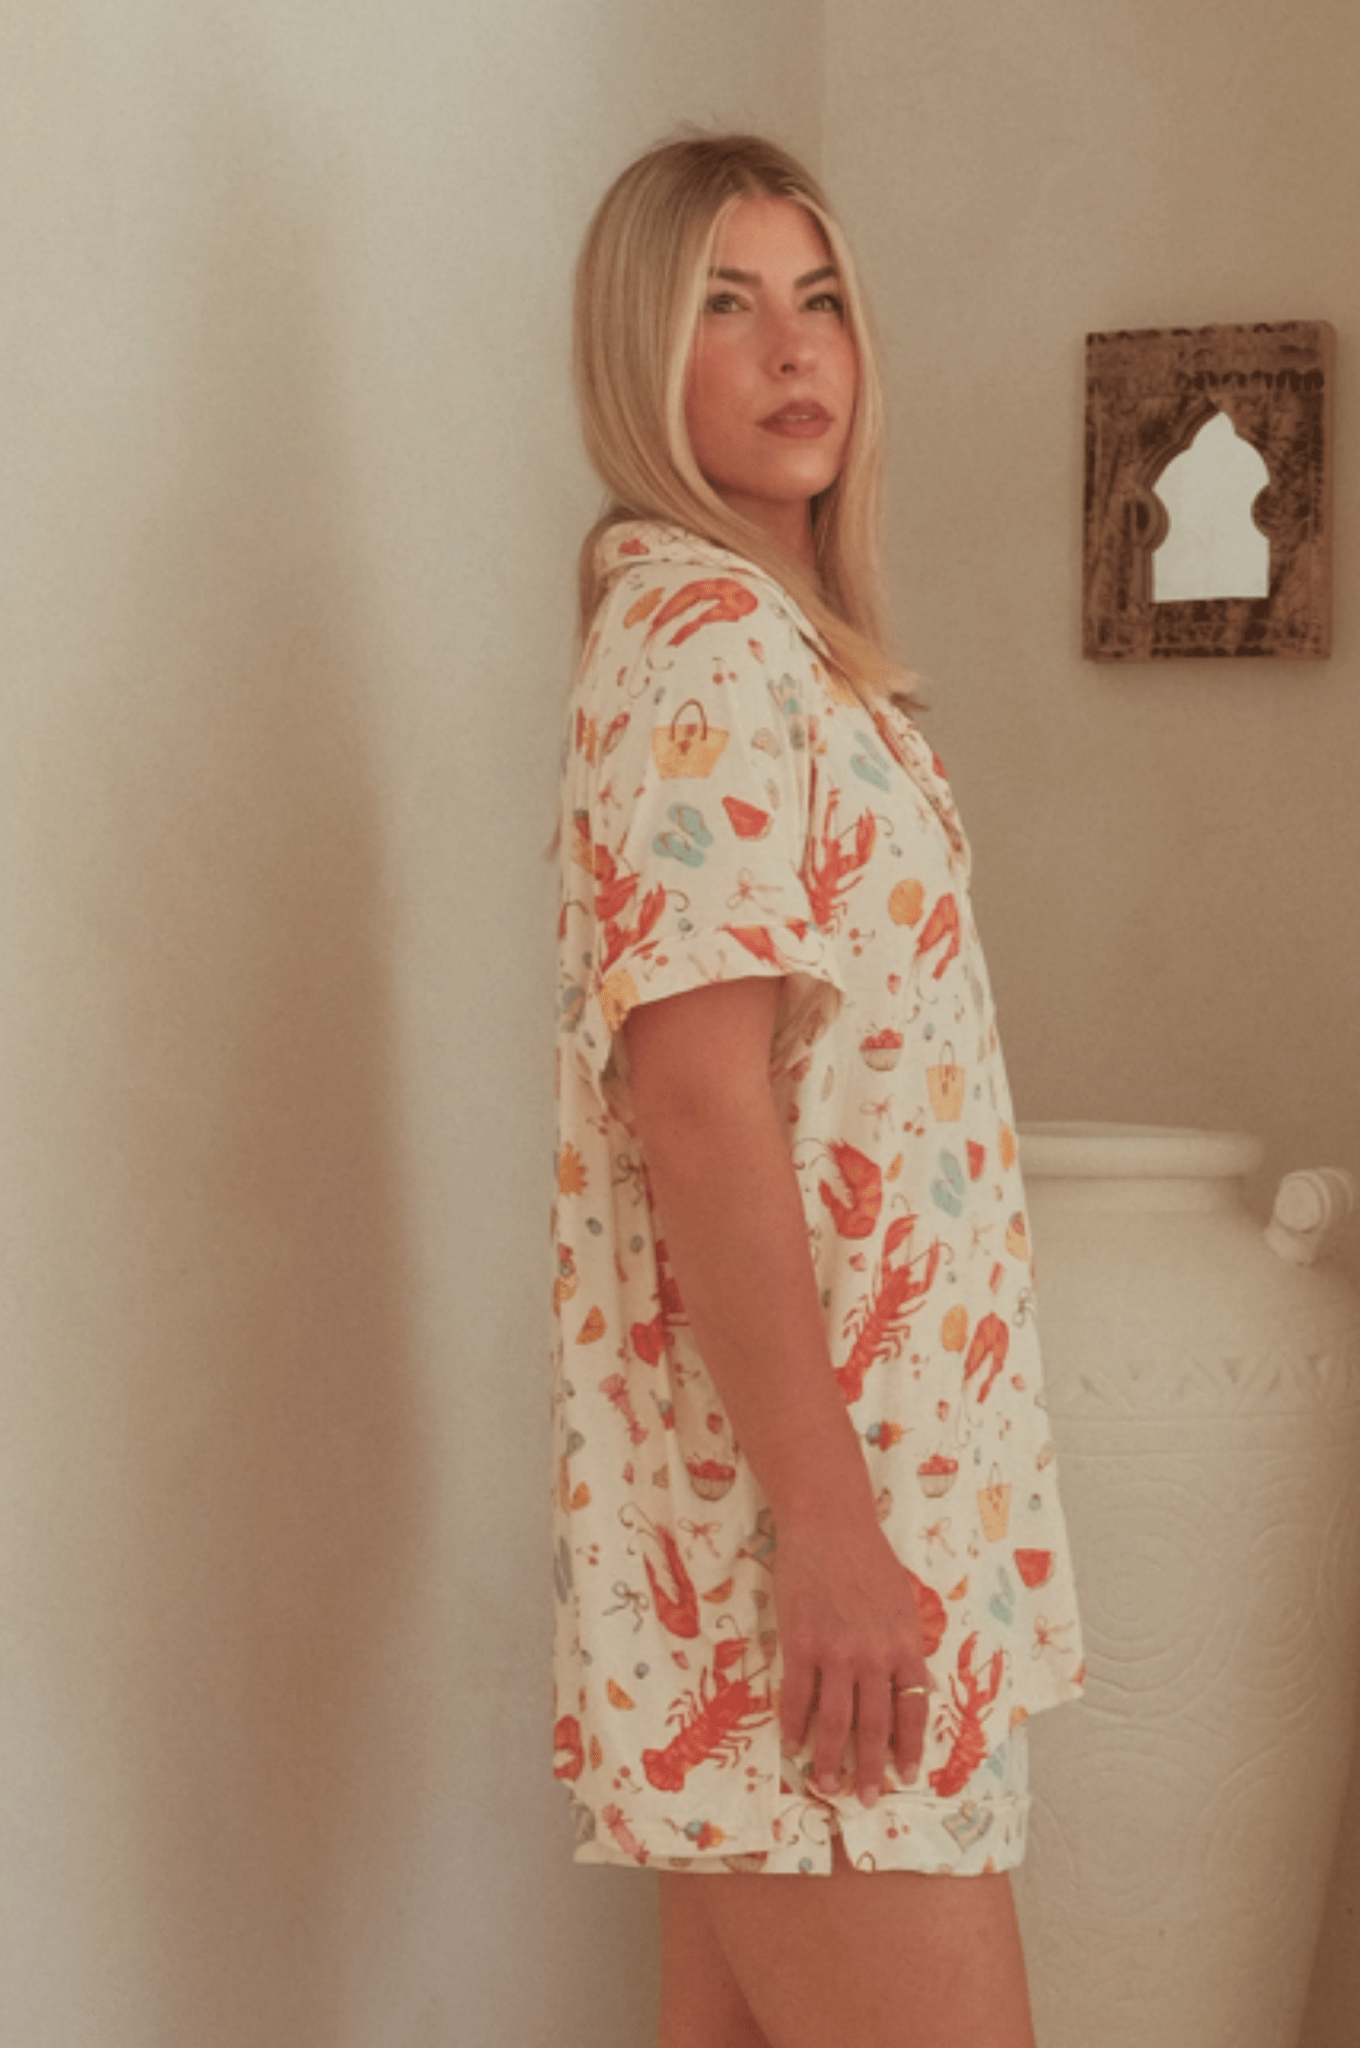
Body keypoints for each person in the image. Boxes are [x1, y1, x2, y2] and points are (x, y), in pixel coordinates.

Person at [551, 132, 1084, 2048]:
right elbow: (692, 1103)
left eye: (821, 298)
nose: (796, 351)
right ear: (641, 358)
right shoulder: (701, 648)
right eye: (724, 304)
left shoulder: (783, 656)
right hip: (813, 1536)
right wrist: (832, 1532)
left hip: (835, 1519)